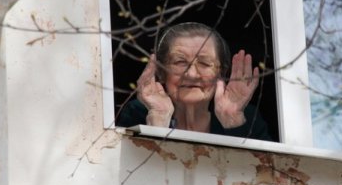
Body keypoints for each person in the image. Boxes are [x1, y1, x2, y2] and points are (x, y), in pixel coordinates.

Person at [116, 22, 272, 141]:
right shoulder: (138, 114)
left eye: (204, 64)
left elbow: (269, 176)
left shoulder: (247, 119)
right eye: (179, 62)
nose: (191, 74)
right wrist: (158, 120)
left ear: (221, 73)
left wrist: (233, 122)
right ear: (162, 72)